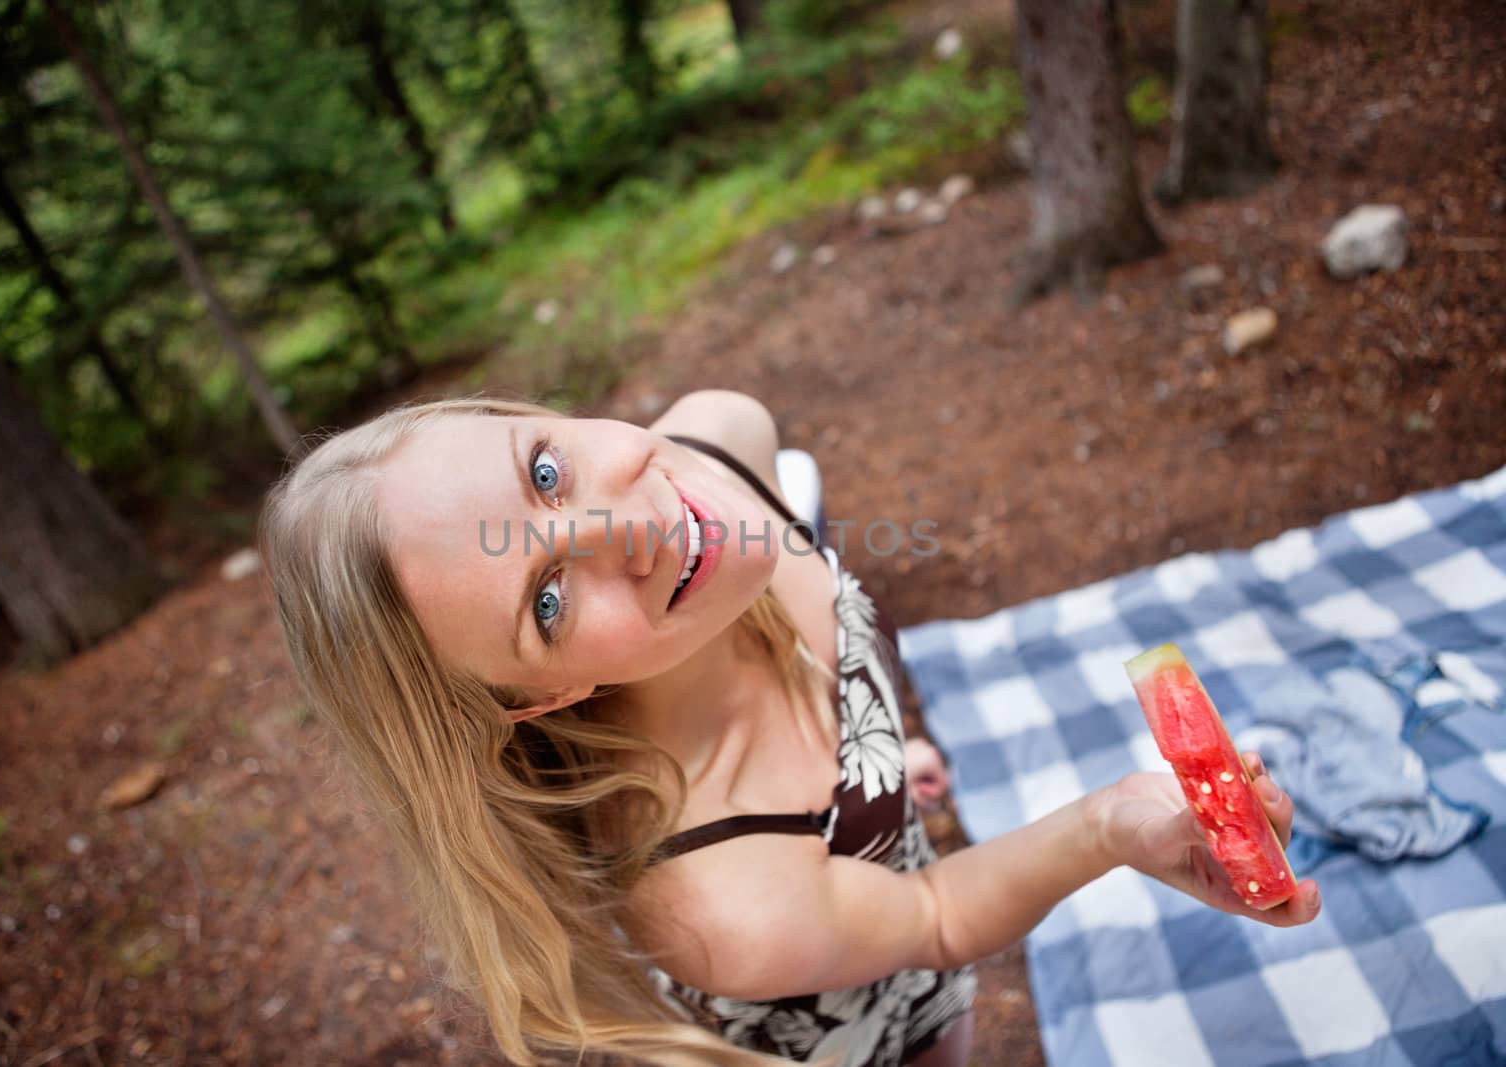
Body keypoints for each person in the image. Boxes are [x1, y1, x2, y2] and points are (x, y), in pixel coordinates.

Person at [259, 389, 1321, 1067]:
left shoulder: (718, 446)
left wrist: (875, 756)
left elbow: (829, 645)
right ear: (534, 702)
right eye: (546, 600)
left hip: (860, 909)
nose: (627, 524)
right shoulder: (724, 904)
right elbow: (940, 916)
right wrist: (1111, 824)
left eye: (543, 469)